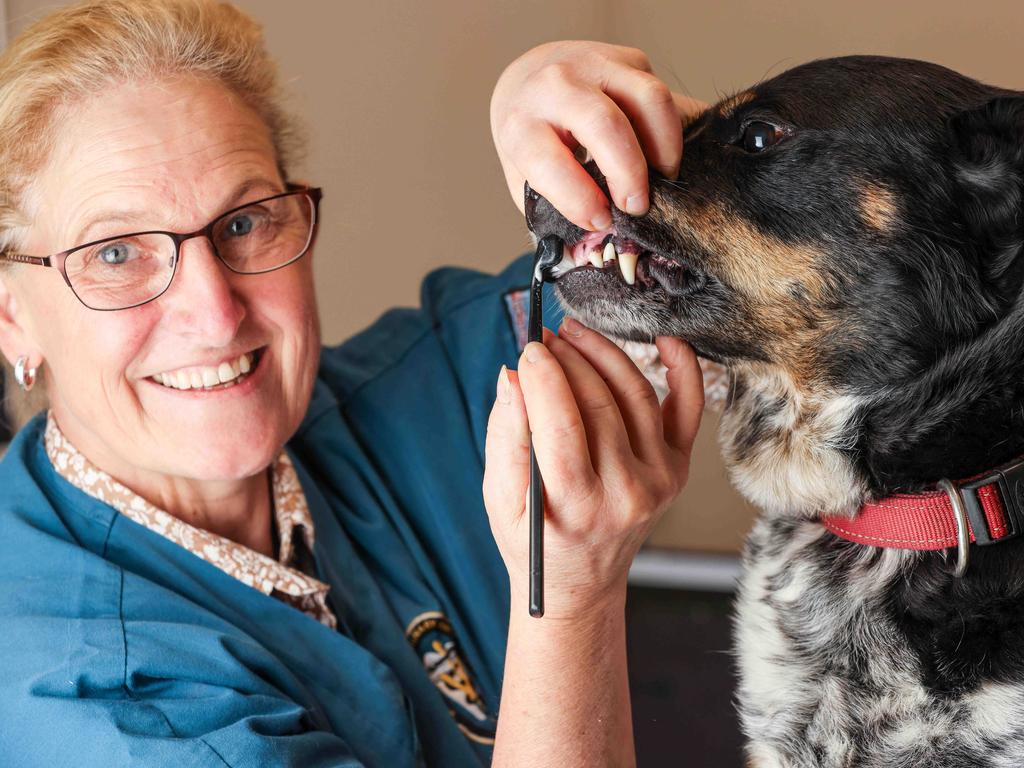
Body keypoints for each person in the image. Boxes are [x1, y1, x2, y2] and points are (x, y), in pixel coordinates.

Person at [0, 2, 707, 765]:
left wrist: (586, 123)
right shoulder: (93, 700)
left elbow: (743, 256)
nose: (214, 315)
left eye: (244, 222)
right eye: (115, 254)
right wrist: (571, 598)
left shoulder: (404, 397)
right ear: (12, 318)